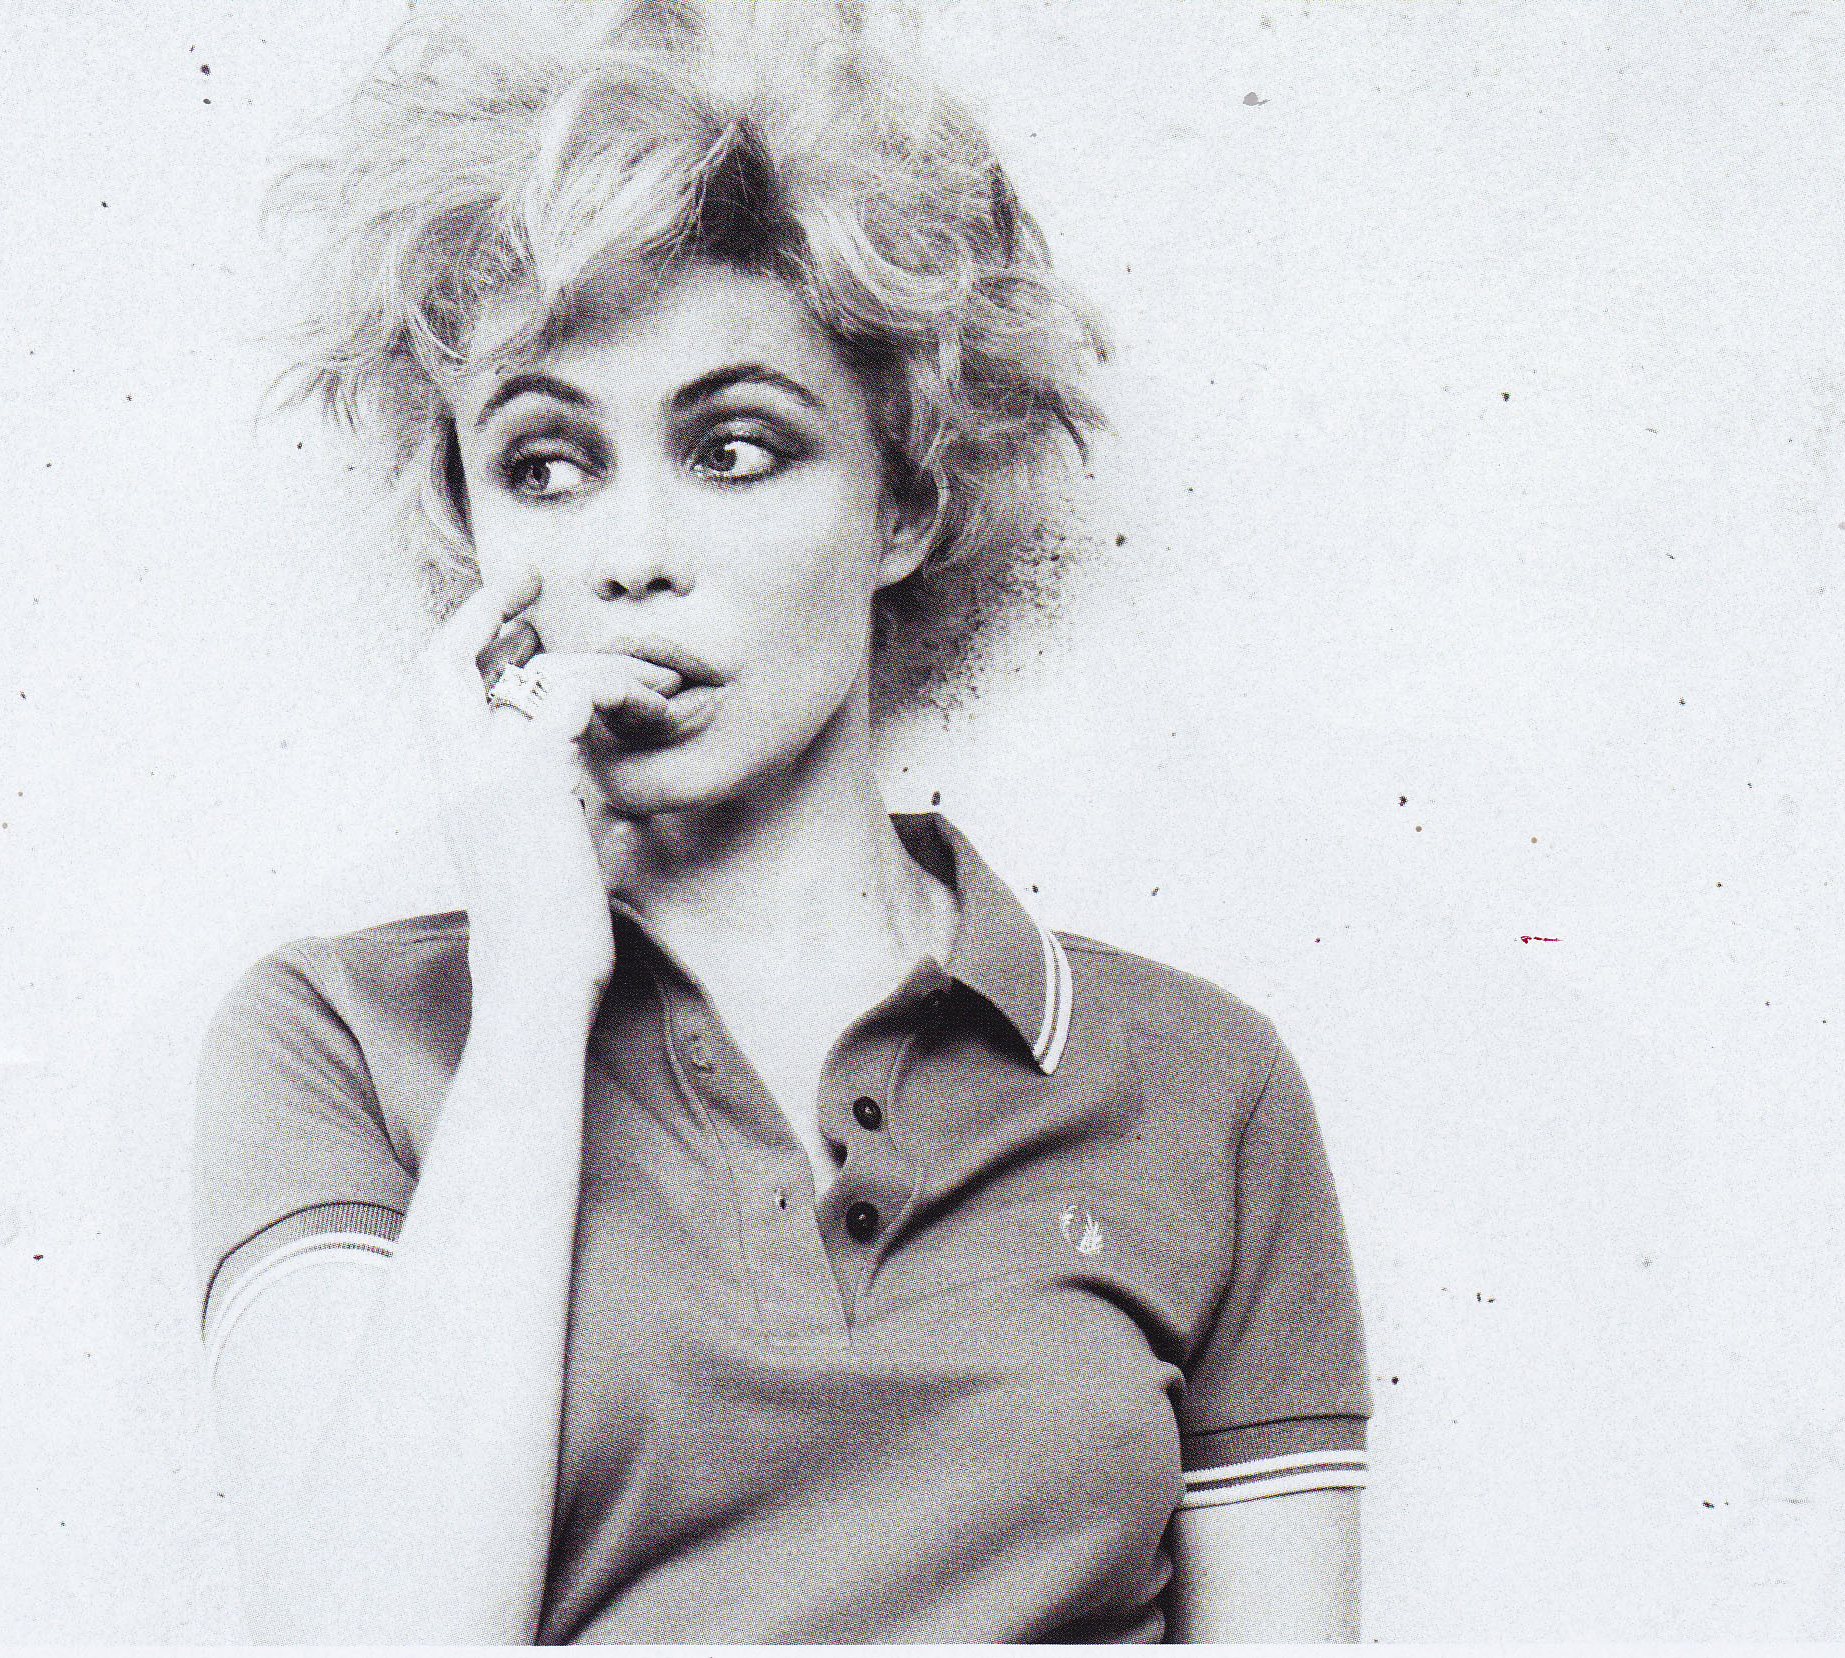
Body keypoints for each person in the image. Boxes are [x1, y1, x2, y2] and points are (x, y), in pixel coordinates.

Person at [193, 0, 1370, 1642]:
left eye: (734, 448)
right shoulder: (339, 1037)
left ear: (904, 502)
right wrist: (532, 984)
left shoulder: (1200, 1083)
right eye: (544, 466)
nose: (631, 556)